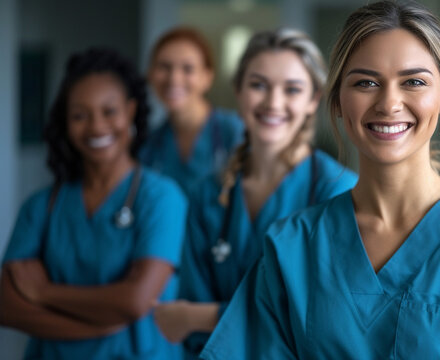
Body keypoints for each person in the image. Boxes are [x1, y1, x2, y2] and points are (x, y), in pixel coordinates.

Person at [199, 2, 440, 359]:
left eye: (413, 82)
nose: (389, 103)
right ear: (337, 102)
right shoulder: (291, 248)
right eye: (365, 83)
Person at [152, 28, 357, 359]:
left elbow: (324, 320)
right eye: (258, 85)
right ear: (238, 91)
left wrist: (200, 317)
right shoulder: (209, 194)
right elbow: (190, 327)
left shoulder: (338, 190)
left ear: (313, 100)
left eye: (292, 89)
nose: (273, 103)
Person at [0, 48, 187, 359]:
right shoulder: (42, 205)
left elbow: (135, 301)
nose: (96, 126)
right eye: (79, 115)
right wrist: (98, 327)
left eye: (109, 111)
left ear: (130, 111)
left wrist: (44, 293)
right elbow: (6, 305)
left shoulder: (161, 198)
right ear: (66, 123)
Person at [140, 27, 244, 193]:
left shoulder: (236, 132)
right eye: (164, 67)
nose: (174, 78)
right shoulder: (148, 145)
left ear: (207, 78)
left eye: (187, 69)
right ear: (150, 74)